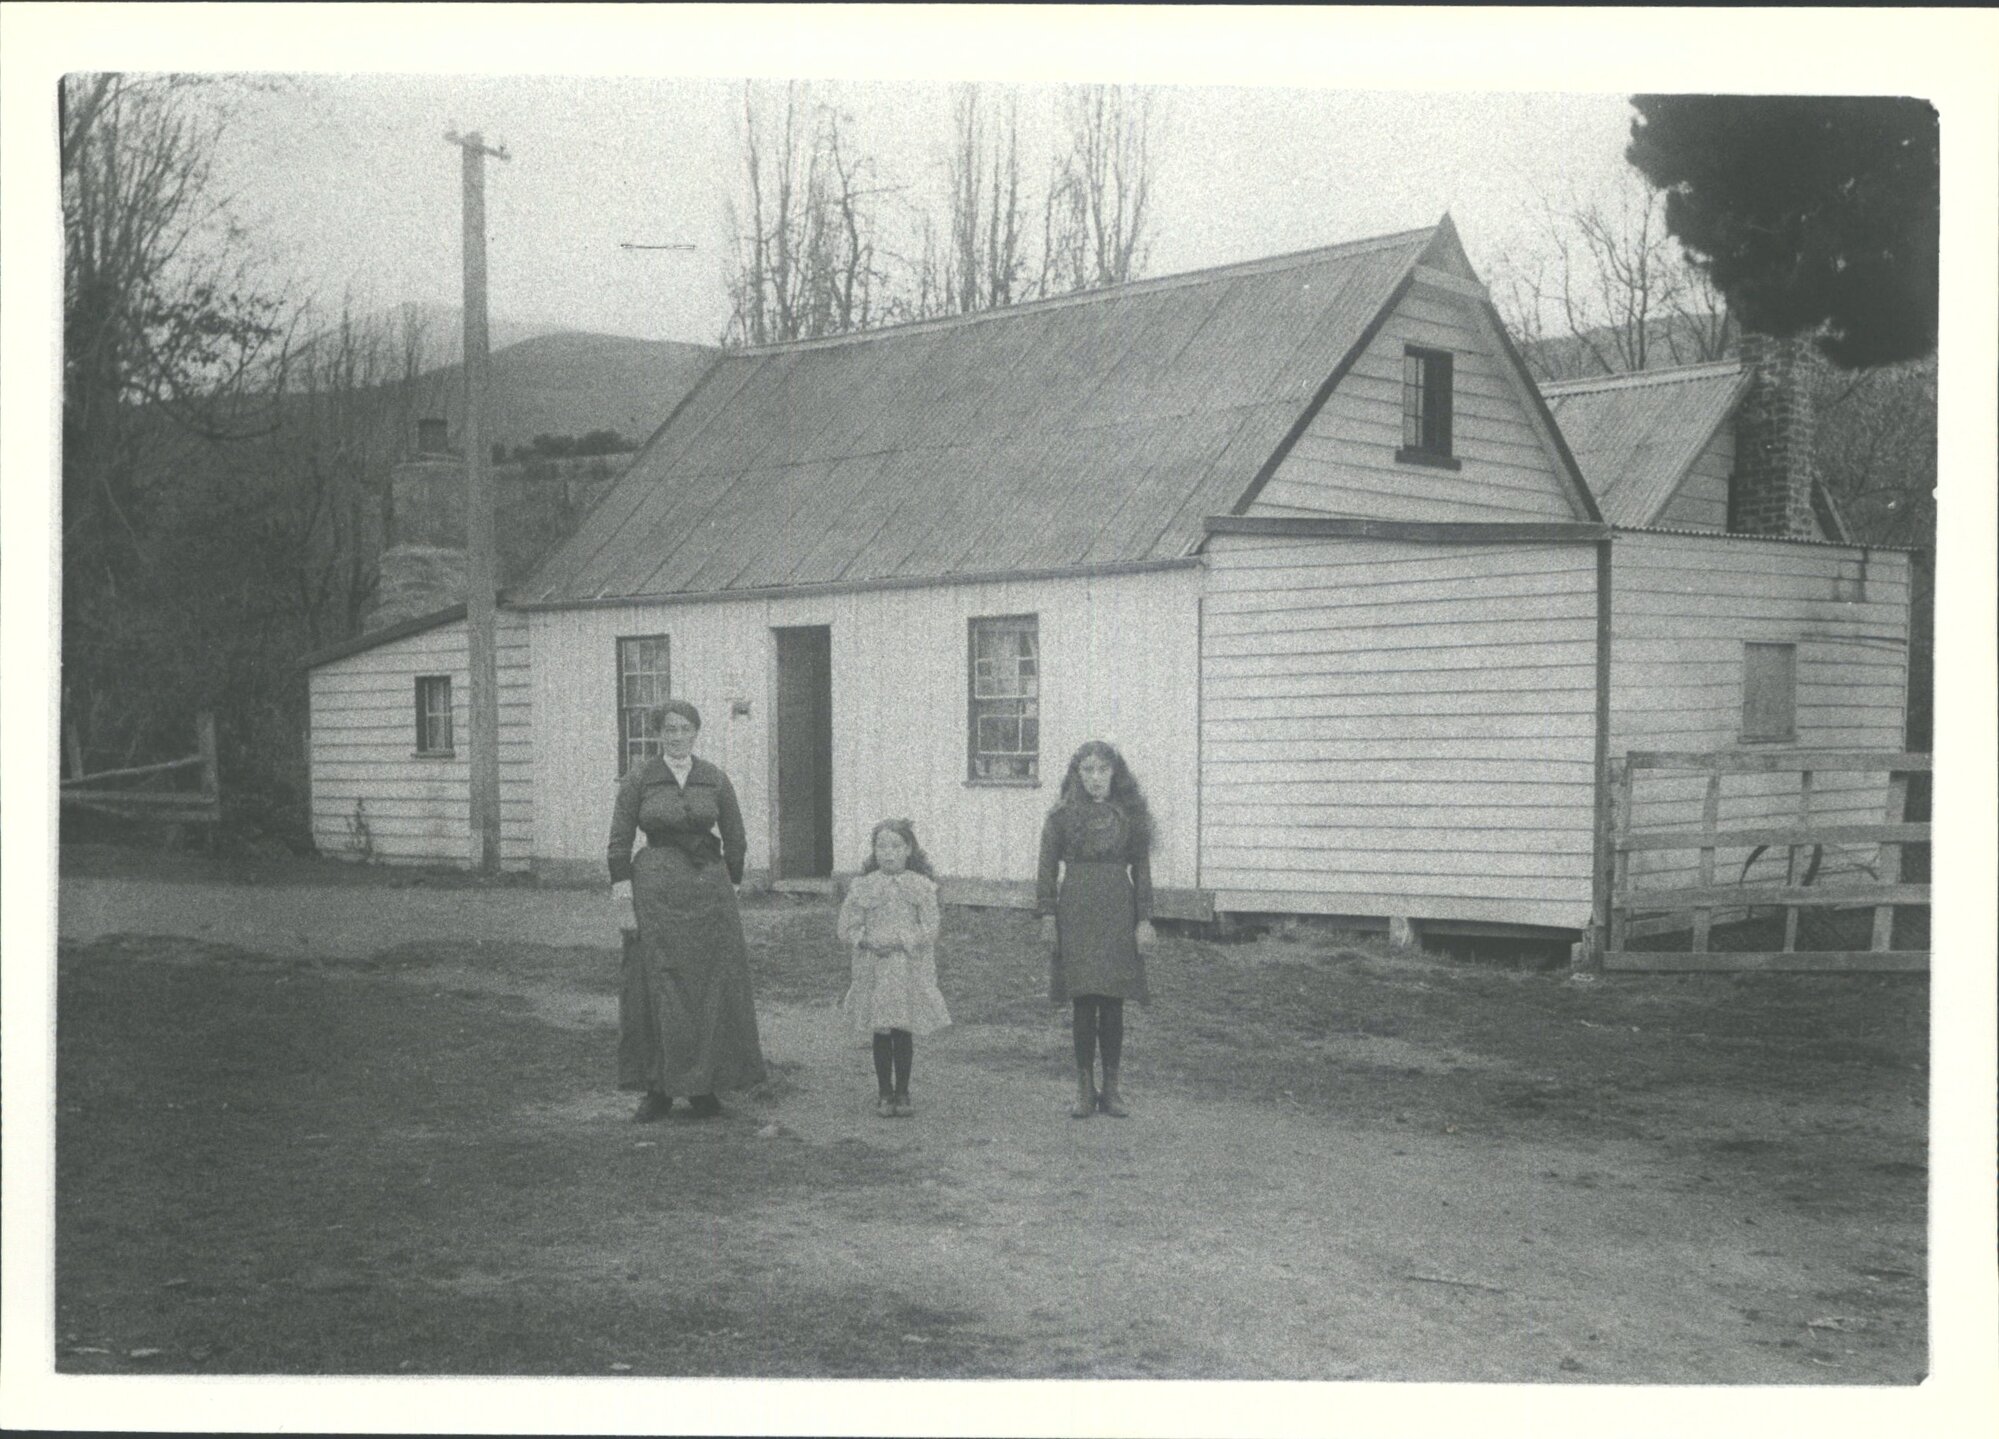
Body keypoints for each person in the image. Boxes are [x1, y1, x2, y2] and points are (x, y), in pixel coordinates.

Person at [607, 699, 766, 1121]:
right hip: (655, 889)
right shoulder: (640, 779)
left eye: (685, 729)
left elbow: (736, 836)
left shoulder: (713, 777)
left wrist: (730, 884)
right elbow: (619, 842)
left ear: (696, 732)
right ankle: (657, 1089)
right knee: (657, 984)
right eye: (669, 729)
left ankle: (704, 1088)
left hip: (707, 891)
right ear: (659, 734)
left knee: (709, 985)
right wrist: (624, 899)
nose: (677, 736)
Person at [1038, 740, 1157, 1119]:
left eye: (1102, 769)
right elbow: (1045, 871)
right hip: (1075, 912)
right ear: (1077, 775)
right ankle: (1084, 1090)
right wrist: (1047, 916)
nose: (1095, 778)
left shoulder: (1131, 816)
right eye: (1087, 770)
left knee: (1113, 1002)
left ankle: (1113, 1090)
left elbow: (1141, 872)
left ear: (1114, 773)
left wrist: (1144, 920)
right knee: (1084, 1001)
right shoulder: (1060, 817)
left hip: (1117, 913)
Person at [836, 819, 949, 1118]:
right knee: (882, 1028)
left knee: (902, 1028)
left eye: (896, 846)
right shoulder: (864, 886)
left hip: (906, 967)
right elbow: (847, 927)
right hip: (875, 966)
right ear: (874, 851)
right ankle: (884, 1091)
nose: (888, 853)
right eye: (881, 846)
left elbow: (931, 927)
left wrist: (902, 941)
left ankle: (903, 1091)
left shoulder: (921, 886)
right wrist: (866, 941)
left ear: (909, 849)